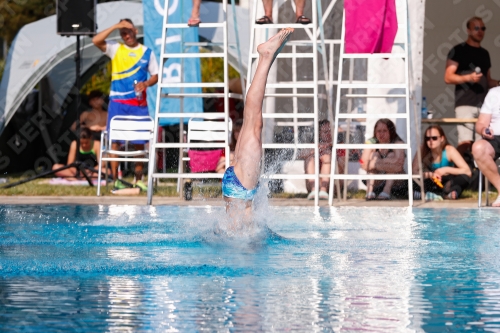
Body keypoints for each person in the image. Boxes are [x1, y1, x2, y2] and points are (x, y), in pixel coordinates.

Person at [222, 28, 293, 226]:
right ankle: (266, 60)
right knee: (252, 122)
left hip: (240, 187)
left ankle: (266, 58)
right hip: (238, 186)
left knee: (253, 122)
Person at [92, 18, 158, 191]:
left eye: (128, 31)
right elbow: (95, 40)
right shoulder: (116, 48)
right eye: (122, 33)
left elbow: (156, 75)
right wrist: (115, 26)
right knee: (115, 143)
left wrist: (147, 84)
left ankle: (139, 180)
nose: (126, 35)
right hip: (117, 103)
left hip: (138, 104)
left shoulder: (147, 52)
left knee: (139, 143)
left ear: (135, 31)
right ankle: (116, 180)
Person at [445, 16, 499, 143]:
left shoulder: (485, 53)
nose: (480, 31)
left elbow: (488, 80)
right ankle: (464, 163)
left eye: (483, 28)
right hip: (465, 103)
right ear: (468, 30)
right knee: (466, 142)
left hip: (485, 105)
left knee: (484, 141)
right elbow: (448, 77)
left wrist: (498, 83)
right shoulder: (458, 50)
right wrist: (468, 77)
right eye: (476, 28)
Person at [413, 125, 472, 201]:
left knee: (464, 178)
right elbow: (414, 172)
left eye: (434, 138)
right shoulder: (422, 150)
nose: (430, 141)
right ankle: (444, 195)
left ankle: (429, 195)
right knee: (409, 181)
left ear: (442, 138)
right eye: (427, 138)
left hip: (447, 181)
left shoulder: (449, 150)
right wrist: (431, 175)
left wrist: (445, 170)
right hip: (431, 181)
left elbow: (467, 171)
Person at [360, 119, 406, 200]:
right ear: (375, 132)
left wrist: (375, 163)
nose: (381, 134)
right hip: (377, 182)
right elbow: (362, 163)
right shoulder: (371, 141)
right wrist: (385, 163)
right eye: (379, 131)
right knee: (375, 154)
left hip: (396, 183)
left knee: (391, 155)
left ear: (391, 131)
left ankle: (386, 190)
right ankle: (369, 191)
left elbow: (399, 166)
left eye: (384, 131)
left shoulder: (397, 142)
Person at [472, 86, 500, 206]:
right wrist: (484, 129)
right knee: (478, 148)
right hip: (496, 137)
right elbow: (481, 123)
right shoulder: (494, 93)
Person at [299, 119, 339, 200]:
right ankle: (315, 190)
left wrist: (329, 152)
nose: (329, 134)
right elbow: (300, 154)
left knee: (327, 156)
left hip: (332, 184)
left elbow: (342, 168)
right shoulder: (314, 145)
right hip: (313, 184)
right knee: (309, 158)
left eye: (330, 131)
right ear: (319, 134)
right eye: (325, 132)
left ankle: (323, 190)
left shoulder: (339, 145)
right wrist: (316, 149)